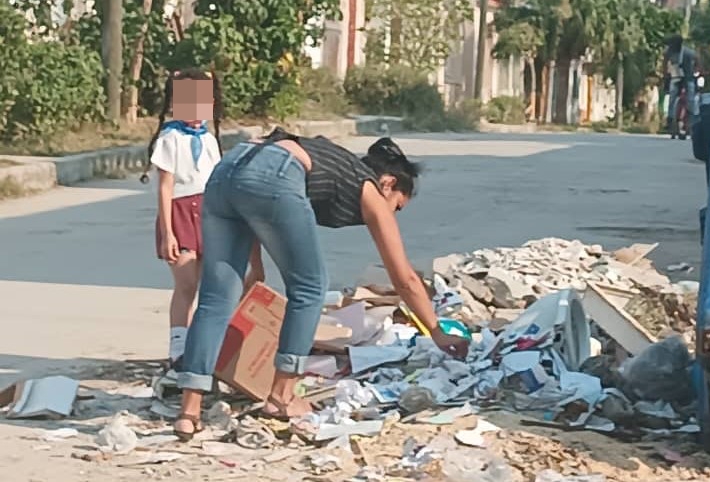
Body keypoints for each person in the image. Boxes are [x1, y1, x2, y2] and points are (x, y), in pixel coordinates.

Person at [172, 129, 470, 440]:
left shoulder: (336, 164)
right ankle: (281, 397)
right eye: (397, 206)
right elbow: (404, 277)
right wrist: (435, 330)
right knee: (310, 288)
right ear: (389, 184)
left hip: (227, 170)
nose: (392, 214)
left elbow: (250, 191)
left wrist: (256, 265)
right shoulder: (369, 188)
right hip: (274, 171)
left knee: (216, 298)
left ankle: (188, 411)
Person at [141, 69, 223, 382]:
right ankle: (178, 349)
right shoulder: (170, 138)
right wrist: (169, 233)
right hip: (179, 213)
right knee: (186, 284)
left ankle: (202, 348)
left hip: (210, 212)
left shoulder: (210, 140)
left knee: (211, 286)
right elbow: (165, 187)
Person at [662, 34, 698, 137]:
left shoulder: (687, 52)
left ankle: (690, 119)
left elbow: (697, 59)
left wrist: (697, 71)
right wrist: (665, 76)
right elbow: (664, 64)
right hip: (676, 77)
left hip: (688, 77)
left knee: (690, 99)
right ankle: (670, 119)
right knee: (672, 97)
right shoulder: (668, 52)